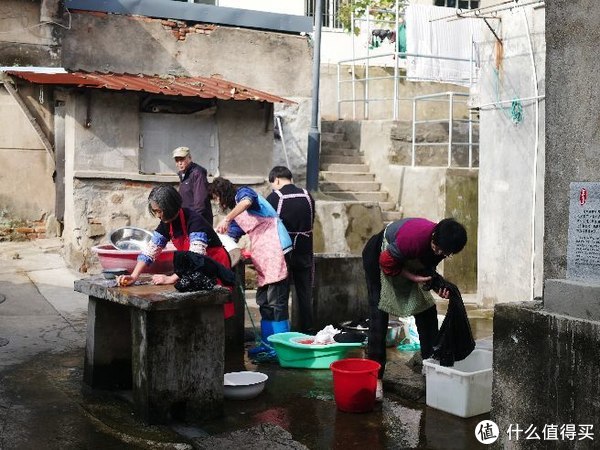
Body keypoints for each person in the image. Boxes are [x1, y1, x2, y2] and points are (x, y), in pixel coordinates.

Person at [362, 217, 467, 401]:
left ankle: (430, 367)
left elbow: (427, 268)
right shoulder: (414, 239)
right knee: (379, 315)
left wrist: (438, 286)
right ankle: (376, 378)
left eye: (446, 252)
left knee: (427, 310)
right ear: (434, 235)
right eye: (438, 247)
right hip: (379, 258)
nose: (440, 253)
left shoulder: (441, 245)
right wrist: (414, 278)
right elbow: (386, 262)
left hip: (404, 261)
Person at [116, 185, 234, 318]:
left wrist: (171, 278)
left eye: (159, 211)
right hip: (195, 267)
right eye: (155, 211)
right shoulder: (166, 223)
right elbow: (150, 250)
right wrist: (134, 276)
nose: (157, 215)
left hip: (214, 265)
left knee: (216, 310)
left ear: (170, 207)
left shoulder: (195, 222)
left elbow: (195, 257)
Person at [211, 177, 292, 355]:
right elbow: (231, 237)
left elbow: (247, 202)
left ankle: (282, 348)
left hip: (277, 246)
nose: (217, 202)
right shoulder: (237, 215)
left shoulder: (244, 194)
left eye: (216, 197)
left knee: (276, 300)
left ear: (223, 193)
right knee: (263, 300)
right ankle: (268, 343)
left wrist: (226, 219)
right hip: (263, 254)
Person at [266, 166, 315, 334]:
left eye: (272, 183)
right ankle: (308, 332)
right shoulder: (308, 196)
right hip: (305, 250)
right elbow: (311, 221)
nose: (273, 187)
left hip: (283, 253)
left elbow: (268, 225)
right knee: (304, 293)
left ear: (277, 179)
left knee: (281, 295)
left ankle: (283, 335)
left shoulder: (274, 197)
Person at [172, 146, 213, 226]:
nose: (179, 163)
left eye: (182, 159)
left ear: (189, 158)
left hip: (198, 220)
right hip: (187, 218)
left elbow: (200, 201)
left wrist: (195, 221)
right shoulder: (183, 174)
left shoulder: (197, 173)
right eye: (177, 160)